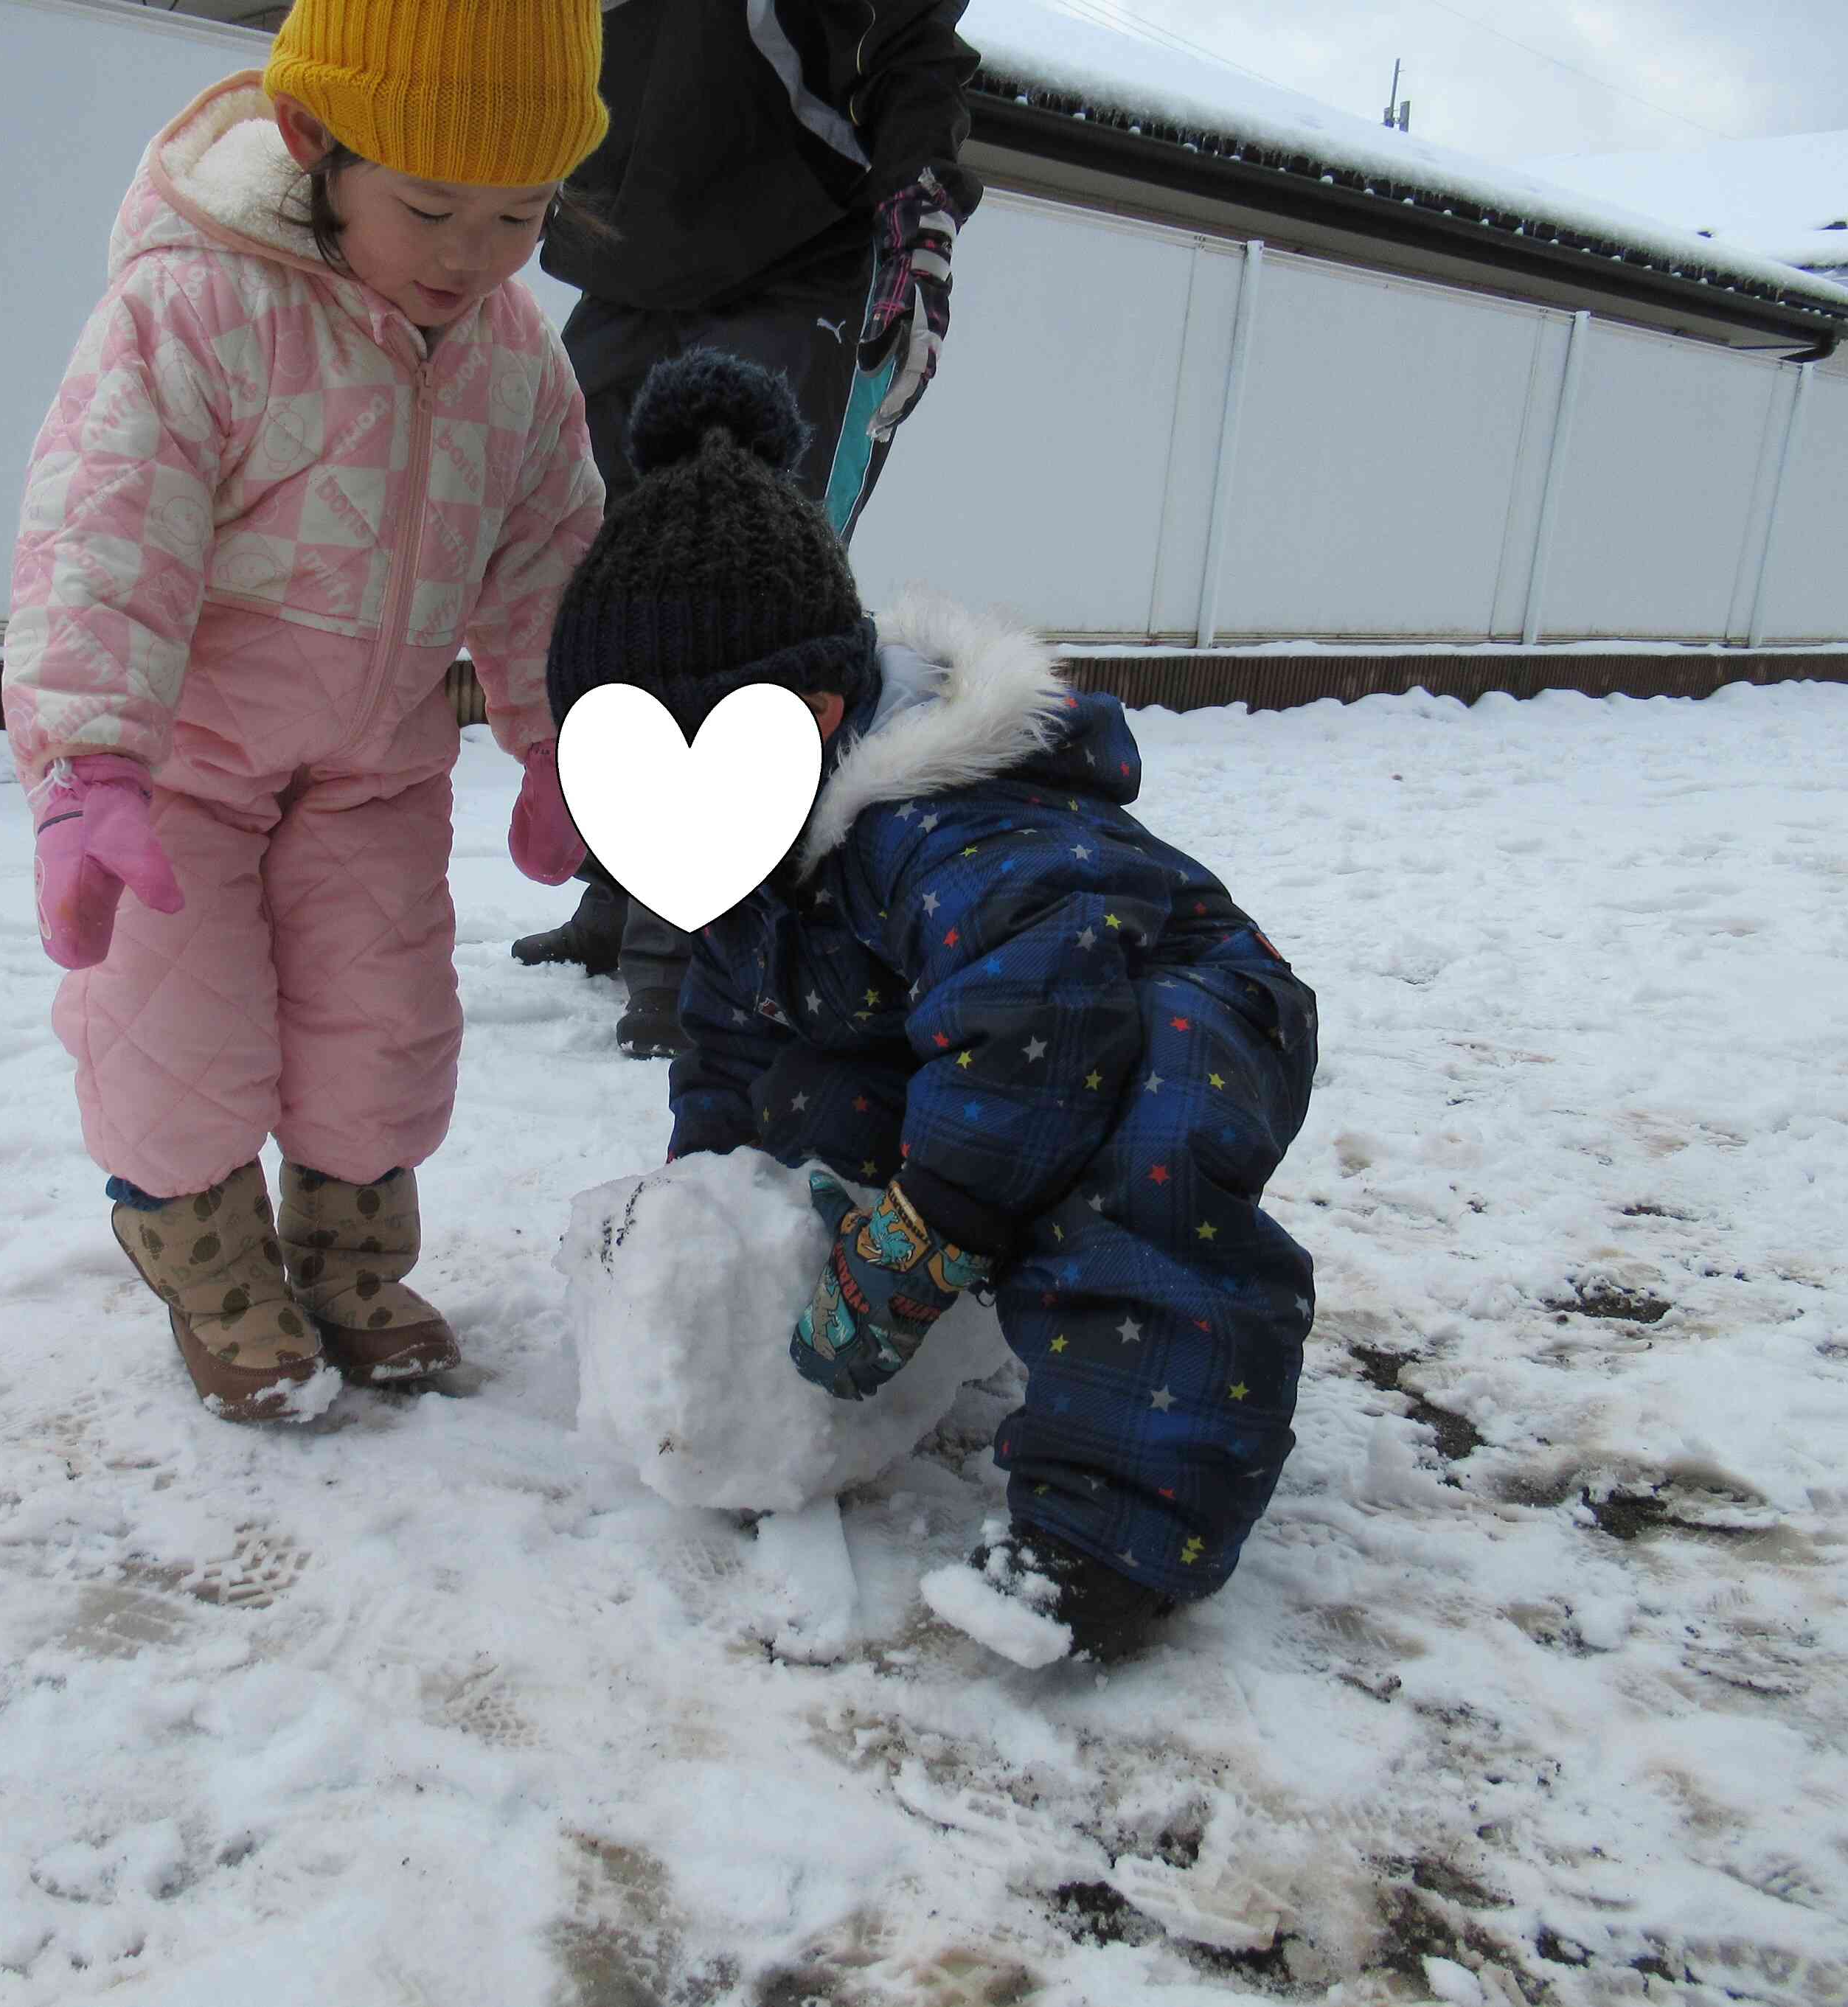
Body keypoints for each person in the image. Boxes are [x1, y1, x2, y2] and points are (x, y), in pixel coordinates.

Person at [543, 352, 1320, 1665]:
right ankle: (925, 1285)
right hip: (967, 1024)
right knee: (821, 1101)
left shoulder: (955, 829)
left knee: (1124, 1184)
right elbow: (736, 1033)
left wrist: (929, 1226)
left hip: (1165, 1008)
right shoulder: (752, 841)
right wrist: (718, 1190)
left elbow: (1039, 1027)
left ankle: (1110, 1532)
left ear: (811, 713)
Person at [2, 0, 604, 1424]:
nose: (476, 253)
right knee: (178, 1022)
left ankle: (348, 1264)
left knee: (382, 1022)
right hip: (180, 773)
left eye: (522, 214)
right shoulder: (195, 307)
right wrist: (91, 762)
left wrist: (552, 732)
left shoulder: (514, 353)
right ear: (312, 143)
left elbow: (548, 552)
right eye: (434, 208)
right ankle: (209, 1265)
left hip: (377, 762)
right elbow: (103, 533)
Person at [512, 0, 986, 1062]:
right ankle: (615, 887)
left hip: (797, 240)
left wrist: (919, 200)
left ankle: (692, 948)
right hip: (618, 241)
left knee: (741, 594)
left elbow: (910, 39)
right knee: (602, 581)